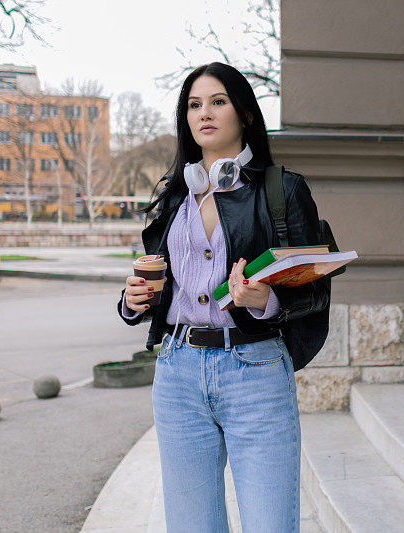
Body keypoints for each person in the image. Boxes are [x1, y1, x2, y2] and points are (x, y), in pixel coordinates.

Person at [117, 61, 330, 532]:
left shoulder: (282, 189)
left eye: (218, 101)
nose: (204, 113)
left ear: (246, 115)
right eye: (194, 105)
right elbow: (164, 281)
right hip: (177, 375)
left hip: (253, 372)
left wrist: (262, 301)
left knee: (269, 524)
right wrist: (133, 300)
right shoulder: (175, 195)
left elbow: (313, 286)